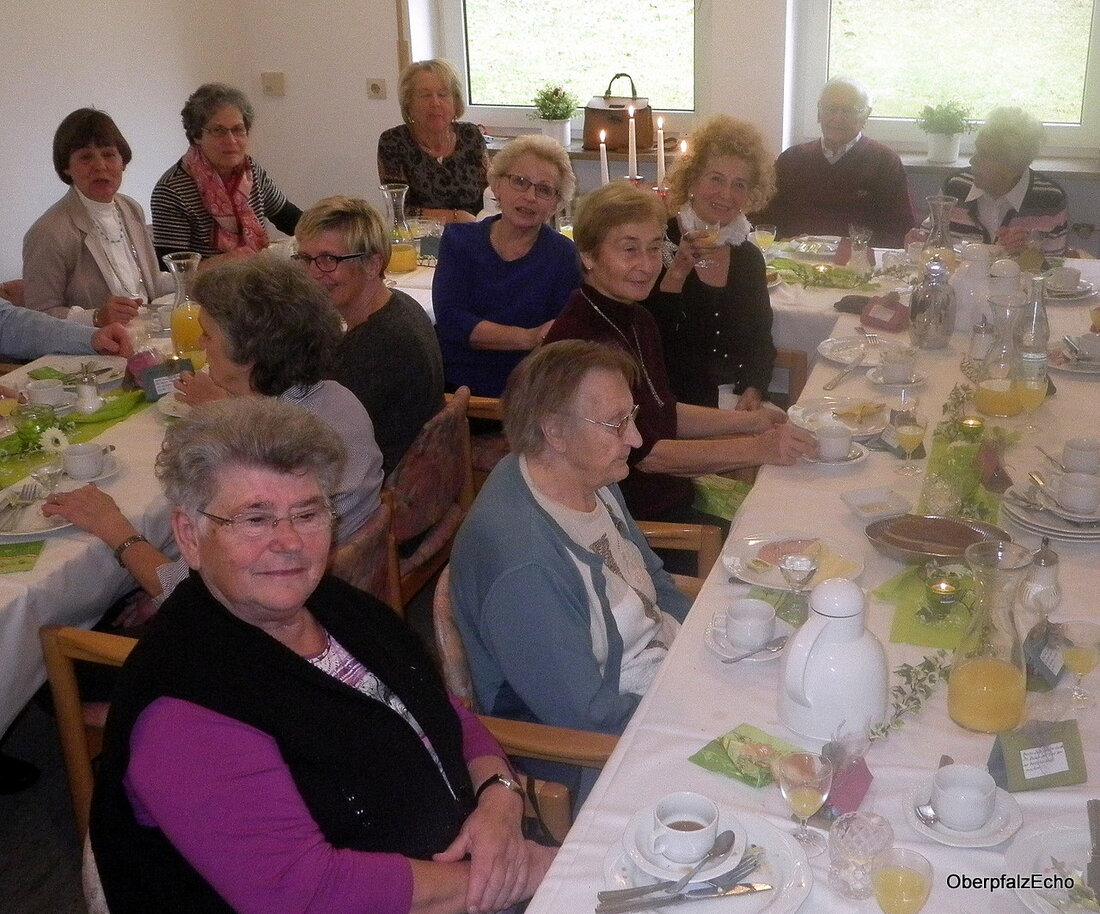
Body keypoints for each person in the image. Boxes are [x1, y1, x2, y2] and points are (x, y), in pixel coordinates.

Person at [88, 398, 553, 913]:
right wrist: (519, 873)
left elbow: (442, 713)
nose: (289, 542)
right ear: (189, 537)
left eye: (308, 513)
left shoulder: (338, 607)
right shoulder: (186, 710)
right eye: (255, 519)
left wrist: (499, 796)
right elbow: (308, 895)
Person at [44, 257, 382, 608]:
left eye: (208, 333)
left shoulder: (261, 458)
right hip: (331, 594)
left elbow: (183, 593)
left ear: (248, 352)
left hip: (265, 625)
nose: (202, 344)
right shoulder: (336, 399)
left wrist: (112, 526)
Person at [450, 340, 689, 799]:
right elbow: (587, 717)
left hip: (657, 677)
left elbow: (654, 580)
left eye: (631, 415)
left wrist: (699, 645)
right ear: (555, 432)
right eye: (617, 424)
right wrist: (685, 712)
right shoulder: (526, 569)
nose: (636, 438)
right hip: (589, 753)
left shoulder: (586, 477)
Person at [544, 181, 817, 525]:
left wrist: (751, 421)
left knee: (794, 507)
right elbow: (647, 455)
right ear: (587, 253)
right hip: (623, 517)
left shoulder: (637, 316)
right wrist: (760, 447)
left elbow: (662, 412)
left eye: (654, 248)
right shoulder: (583, 343)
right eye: (629, 250)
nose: (646, 265)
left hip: (667, 491)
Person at [294, 195, 444, 476]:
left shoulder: (378, 346)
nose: (313, 273)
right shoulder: (397, 304)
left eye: (328, 259)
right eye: (305, 259)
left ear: (373, 264)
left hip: (372, 489)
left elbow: (313, 444)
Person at [642, 115, 777, 409]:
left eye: (739, 185)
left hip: (737, 401)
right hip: (672, 405)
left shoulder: (748, 257)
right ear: (692, 179)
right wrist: (677, 272)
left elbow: (761, 341)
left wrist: (754, 389)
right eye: (716, 179)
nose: (726, 195)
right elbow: (648, 340)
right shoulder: (657, 242)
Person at [433, 134, 581, 397]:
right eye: (520, 182)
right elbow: (452, 322)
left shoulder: (563, 255)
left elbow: (557, 339)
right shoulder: (459, 241)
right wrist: (528, 337)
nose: (530, 197)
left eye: (544, 190)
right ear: (497, 185)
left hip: (526, 394)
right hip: (456, 389)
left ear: (556, 204)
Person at [22, 108, 172, 325]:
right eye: (86, 157)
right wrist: (95, 317)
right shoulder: (49, 232)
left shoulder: (130, 208)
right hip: (94, 348)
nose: (100, 166)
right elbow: (38, 318)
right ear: (66, 168)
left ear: (123, 161)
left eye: (109, 154)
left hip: (147, 331)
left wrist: (192, 278)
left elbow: (150, 283)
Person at [754, 76, 915, 248]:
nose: (838, 118)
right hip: (794, 261)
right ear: (818, 112)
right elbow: (764, 220)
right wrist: (783, 242)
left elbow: (900, 229)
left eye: (849, 110)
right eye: (831, 109)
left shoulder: (885, 162)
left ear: (866, 115)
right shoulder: (791, 159)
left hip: (856, 264)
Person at [151, 83, 301, 265]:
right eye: (218, 131)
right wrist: (226, 261)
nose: (231, 140)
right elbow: (171, 270)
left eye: (238, 129)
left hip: (255, 275)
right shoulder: (171, 190)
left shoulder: (250, 171)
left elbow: (288, 218)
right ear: (196, 135)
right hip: (207, 289)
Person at [940, 107, 1068, 256]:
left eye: (984, 155)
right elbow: (932, 248)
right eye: (976, 150)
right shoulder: (955, 187)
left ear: (1013, 167)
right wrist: (917, 241)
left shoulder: (1049, 199)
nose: (972, 160)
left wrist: (1027, 254)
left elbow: (1055, 270)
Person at [377, 59, 489, 224]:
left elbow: (491, 192)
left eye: (443, 95)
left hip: (473, 232)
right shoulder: (393, 142)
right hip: (422, 239)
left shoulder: (470, 135)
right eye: (425, 95)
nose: (435, 103)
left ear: (455, 103)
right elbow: (399, 209)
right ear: (409, 105)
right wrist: (456, 217)